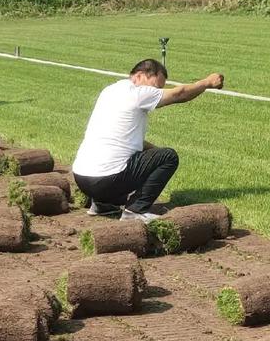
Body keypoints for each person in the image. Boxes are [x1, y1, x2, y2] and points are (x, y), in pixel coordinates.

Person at [72, 58, 225, 220]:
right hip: (106, 179)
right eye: (156, 86)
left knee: (139, 158)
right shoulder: (137, 93)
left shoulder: (110, 91)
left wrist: (154, 155)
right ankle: (135, 211)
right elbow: (179, 94)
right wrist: (207, 82)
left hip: (81, 178)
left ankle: (102, 205)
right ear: (139, 76)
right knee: (168, 157)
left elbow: (126, 141)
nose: (157, 91)